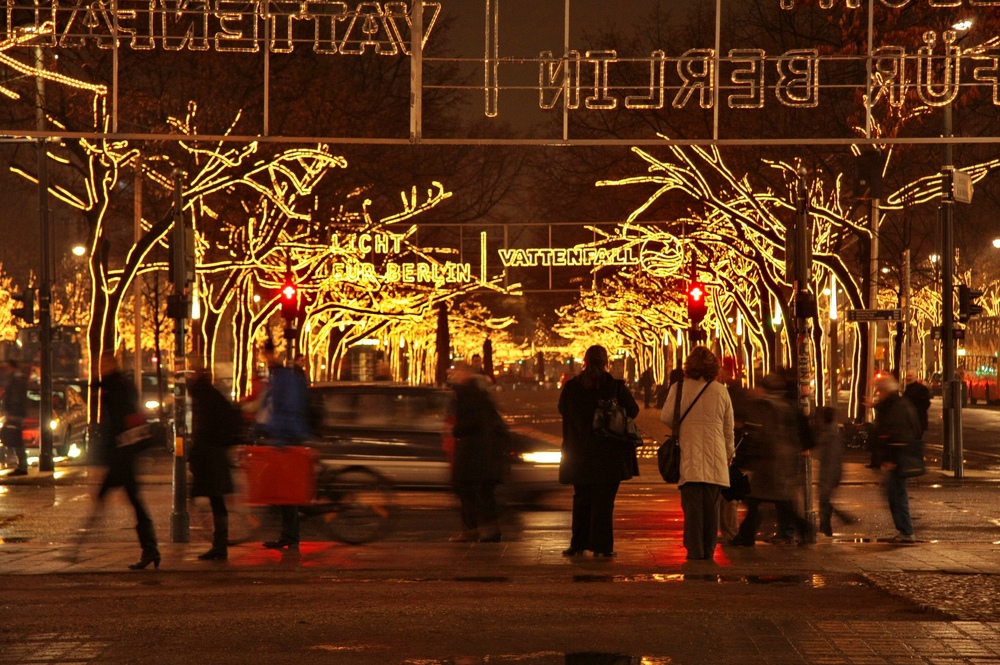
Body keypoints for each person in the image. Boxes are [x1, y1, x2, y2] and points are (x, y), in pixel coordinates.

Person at [558, 344, 640, 558]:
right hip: (608, 455)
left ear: (585, 361)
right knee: (604, 503)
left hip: (579, 454)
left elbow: (562, 411)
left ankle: (578, 544)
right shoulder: (613, 387)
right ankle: (602, 547)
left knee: (582, 499)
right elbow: (633, 410)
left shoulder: (572, 387)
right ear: (606, 363)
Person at [660, 346, 734, 561]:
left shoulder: (679, 388)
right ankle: (709, 551)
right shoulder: (721, 391)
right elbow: (728, 429)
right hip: (715, 458)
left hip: (689, 456)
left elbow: (666, 417)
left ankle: (695, 551)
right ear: (713, 368)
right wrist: (729, 454)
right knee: (712, 509)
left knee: (692, 510)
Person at [94, 352, 160, 570]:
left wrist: (109, 451)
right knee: (133, 499)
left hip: (121, 453)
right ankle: (150, 548)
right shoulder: (115, 385)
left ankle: (76, 546)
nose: (100, 367)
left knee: (120, 499)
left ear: (111, 364)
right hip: (123, 453)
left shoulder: (115, 387)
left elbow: (118, 422)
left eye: (104, 363)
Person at [730, 373, 809, 547]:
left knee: (757, 501)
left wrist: (748, 457)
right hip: (780, 461)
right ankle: (803, 530)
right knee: (776, 502)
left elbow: (761, 435)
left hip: (768, 462)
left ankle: (745, 537)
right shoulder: (784, 405)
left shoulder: (765, 406)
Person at [448, 362, 508, 543]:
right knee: (482, 493)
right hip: (485, 453)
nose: (453, 376)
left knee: (469, 492)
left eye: (457, 372)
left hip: (473, 453)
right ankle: (489, 531)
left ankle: (473, 531)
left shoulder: (466, 395)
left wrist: (455, 430)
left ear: (465, 375)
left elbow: (466, 424)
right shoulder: (481, 394)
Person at [260, 341, 311, 550]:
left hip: (287, 439)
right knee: (285, 491)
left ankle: (290, 535)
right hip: (287, 437)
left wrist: (277, 436)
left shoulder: (282, 379)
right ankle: (289, 535)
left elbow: (283, 410)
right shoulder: (280, 378)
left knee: (285, 492)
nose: (264, 358)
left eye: (265, 355)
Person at [188, 364, 237, 560]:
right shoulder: (214, 396)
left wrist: (194, 454)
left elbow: (203, 430)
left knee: (212, 500)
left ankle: (219, 544)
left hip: (208, 457)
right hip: (216, 455)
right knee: (217, 501)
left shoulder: (203, 398)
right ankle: (219, 543)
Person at [872, 374, 921, 543]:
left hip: (896, 458)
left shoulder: (894, 407)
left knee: (896, 495)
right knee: (895, 493)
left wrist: (890, 458)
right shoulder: (899, 404)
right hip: (899, 456)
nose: (878, 394)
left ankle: (907, 531)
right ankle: (905, 530)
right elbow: (915, 429)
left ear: (886, 391)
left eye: (879, 391)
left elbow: (893, 432)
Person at [816, 405, 854, 537]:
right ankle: (827, 527)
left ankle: (826, 528)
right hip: (830, 475)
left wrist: (827, 480)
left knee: (824, 502)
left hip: (829, 476)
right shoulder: (831, 434)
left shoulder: (830, 436)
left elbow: (831, 460)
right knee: (825, 502)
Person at [2, 358, 29, 476]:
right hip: (14, 413)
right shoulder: (15, 378)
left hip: (15, 413)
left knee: (16, 439)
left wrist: (13, 414)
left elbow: (16, 397)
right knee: (14, 438)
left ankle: (22, 466)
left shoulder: (16, 379)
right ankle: (21, 465)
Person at [903, 370, 931, 434]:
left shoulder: (921, 389)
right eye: (907, 376)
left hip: (918, 420)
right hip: (912, 421)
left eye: (910, 376)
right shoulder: (908, 388)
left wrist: (914, 410)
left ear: (915, 377)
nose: (908, 378)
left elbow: (925, 404)